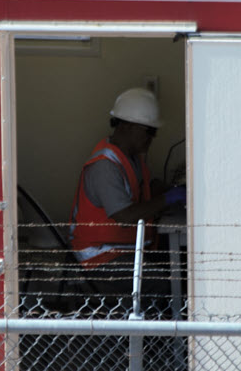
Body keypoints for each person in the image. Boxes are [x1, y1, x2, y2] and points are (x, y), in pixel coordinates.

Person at [68, 87, 185, 296]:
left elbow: (146, 187)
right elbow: (124, 216)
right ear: (128, 126)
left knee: (181, 263)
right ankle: (158, 328)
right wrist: (168, 198)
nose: (152, 138)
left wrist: (175, 189)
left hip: (123, 251)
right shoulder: (105, 166)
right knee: (164, 283)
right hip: (99, 259)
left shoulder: (131, 157)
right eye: (149, 131)